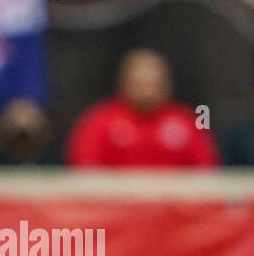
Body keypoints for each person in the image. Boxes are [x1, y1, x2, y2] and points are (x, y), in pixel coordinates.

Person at [66, 49, 218, 168]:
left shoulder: (188, 120)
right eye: (140, 83)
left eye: (153, 84)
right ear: (124, 83)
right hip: (117, 205)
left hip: (176, 205)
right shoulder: (99, 120)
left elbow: (206, 170)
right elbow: (85, 171)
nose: (147, 91)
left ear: (167, 84)